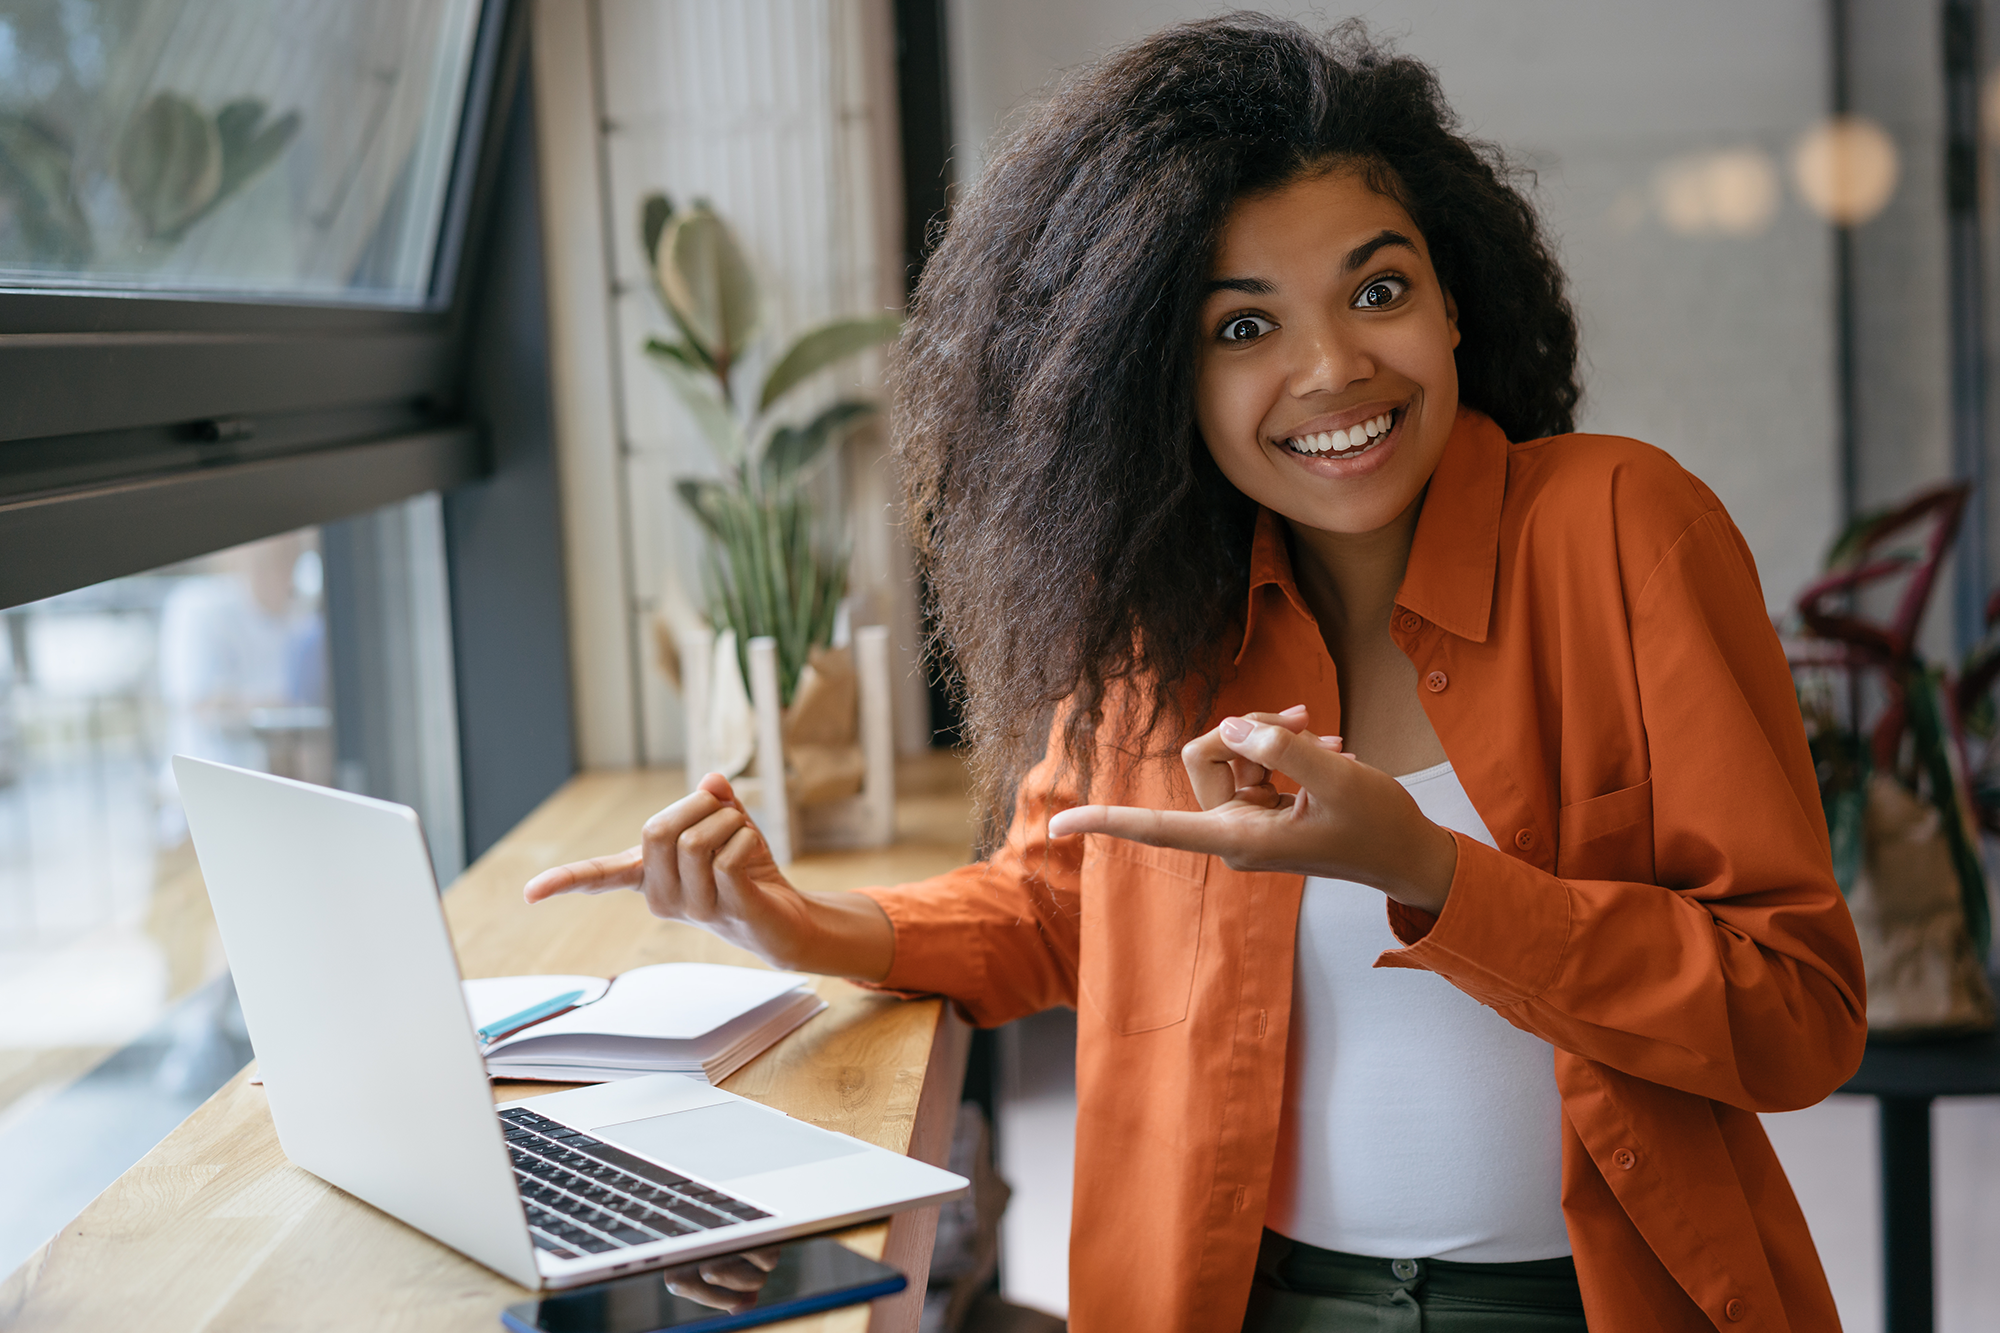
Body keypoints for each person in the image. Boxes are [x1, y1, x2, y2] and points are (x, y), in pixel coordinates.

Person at [526, 17, 1864, 1332]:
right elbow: (1063, 906)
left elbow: (1799, 1014)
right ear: (1153, 377)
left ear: (1454, 301)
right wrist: (800, 926)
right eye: (1242, 329)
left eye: (1378, 290)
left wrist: (1435, 875)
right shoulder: (1156, 614)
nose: (1334, 366)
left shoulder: (1625, 526)